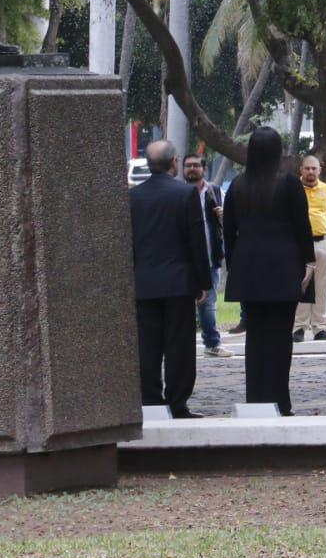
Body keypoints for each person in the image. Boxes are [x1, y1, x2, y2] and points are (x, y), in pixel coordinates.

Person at [222, 128, 315, 414]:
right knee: (279, 338)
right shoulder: (288, 184)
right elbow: (302, 227)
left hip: (249, 268)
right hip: (284, 268)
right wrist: (309, 262)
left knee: (256, 338)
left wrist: (234, 264)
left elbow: (228, 232)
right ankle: (279, 400)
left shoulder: (237, 185)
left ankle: (256, 400)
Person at [129, 140, 210, 417]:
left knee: (147, 346)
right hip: (178, 282)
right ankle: (177, 402)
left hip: (144, 283)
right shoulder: (185, 194)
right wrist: (203, 282)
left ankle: (150, 400)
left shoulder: (133, 197)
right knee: (179, 346)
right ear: (174, 162)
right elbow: (196, 240)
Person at [183, 153, 229, 359]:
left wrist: (223, 215)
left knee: (208, 302)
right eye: (188, 166)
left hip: (211, 257)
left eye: (195, 165)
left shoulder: (216, 192)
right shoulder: (179, 193)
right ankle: (181, 346)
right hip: (184, 260)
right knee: (183, 304)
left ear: (204, 169)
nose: (191, 169)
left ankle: (212, 343)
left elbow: (233, 222)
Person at [292, 154, 326, 343]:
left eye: (314, 168)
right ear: (301, 169)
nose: (311, 172)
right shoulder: (293, 189)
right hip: (299, 244)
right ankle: (298, 328)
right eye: (307, 168)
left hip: (322, 243)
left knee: (321, 286)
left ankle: (320, 328)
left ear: (320, 170)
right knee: (301, 284)